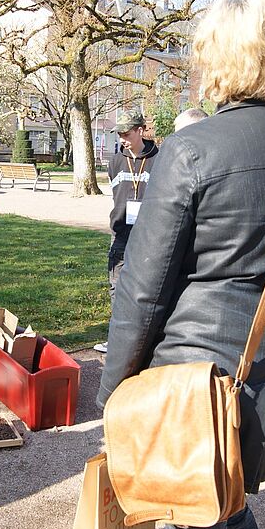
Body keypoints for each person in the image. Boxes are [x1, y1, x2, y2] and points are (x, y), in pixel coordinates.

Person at [97, 0, 265, 529]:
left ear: (217, 56)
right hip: (264, 372)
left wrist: (115, 392)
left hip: (188, 380)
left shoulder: (190, 149)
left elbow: (143, 290)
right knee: (228, 506)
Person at [92, 111, 159, 355]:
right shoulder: (116, 160)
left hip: (150, 236)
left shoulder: (159, 158)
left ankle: (145, 341)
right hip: (120, 233)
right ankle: (117, 340)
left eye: (126, 133)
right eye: (119, 134)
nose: (121, 138)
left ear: (141, 130)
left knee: (147, 288)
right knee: (117, 287)